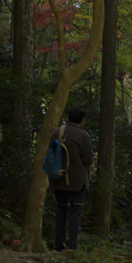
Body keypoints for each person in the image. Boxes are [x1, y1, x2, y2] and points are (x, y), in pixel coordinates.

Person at [49, 107, 93, 252]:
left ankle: (58, 246)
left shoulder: (56, 132)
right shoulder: (82, 135)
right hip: (76, 181)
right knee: (76, 212)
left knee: (61, 211)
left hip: (58, 179)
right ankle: (72, 248)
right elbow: (88, 159)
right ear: (82, 120)